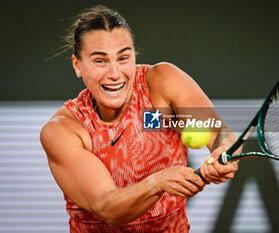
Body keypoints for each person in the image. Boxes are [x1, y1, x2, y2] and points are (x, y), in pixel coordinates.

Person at [40, 5, 240, 233]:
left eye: (123, 58)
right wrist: (159, 181)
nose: (115, 74)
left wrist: (223, 152)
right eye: (100, 61)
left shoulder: (162, 84)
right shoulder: (64, 131)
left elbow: (218, 131)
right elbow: (108, 208)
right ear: (77, 65)